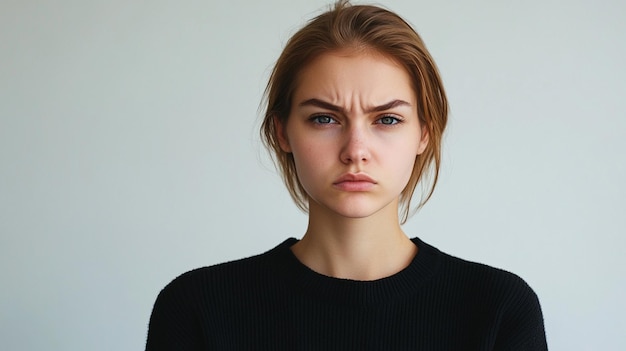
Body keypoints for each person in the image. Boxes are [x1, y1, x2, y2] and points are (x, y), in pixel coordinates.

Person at [145, 1, 548, 350]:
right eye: (324, 118)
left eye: (387, 119)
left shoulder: (498, 309)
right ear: (282, 131)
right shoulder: (197, 308)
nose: (355, 150)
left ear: (424, 132)